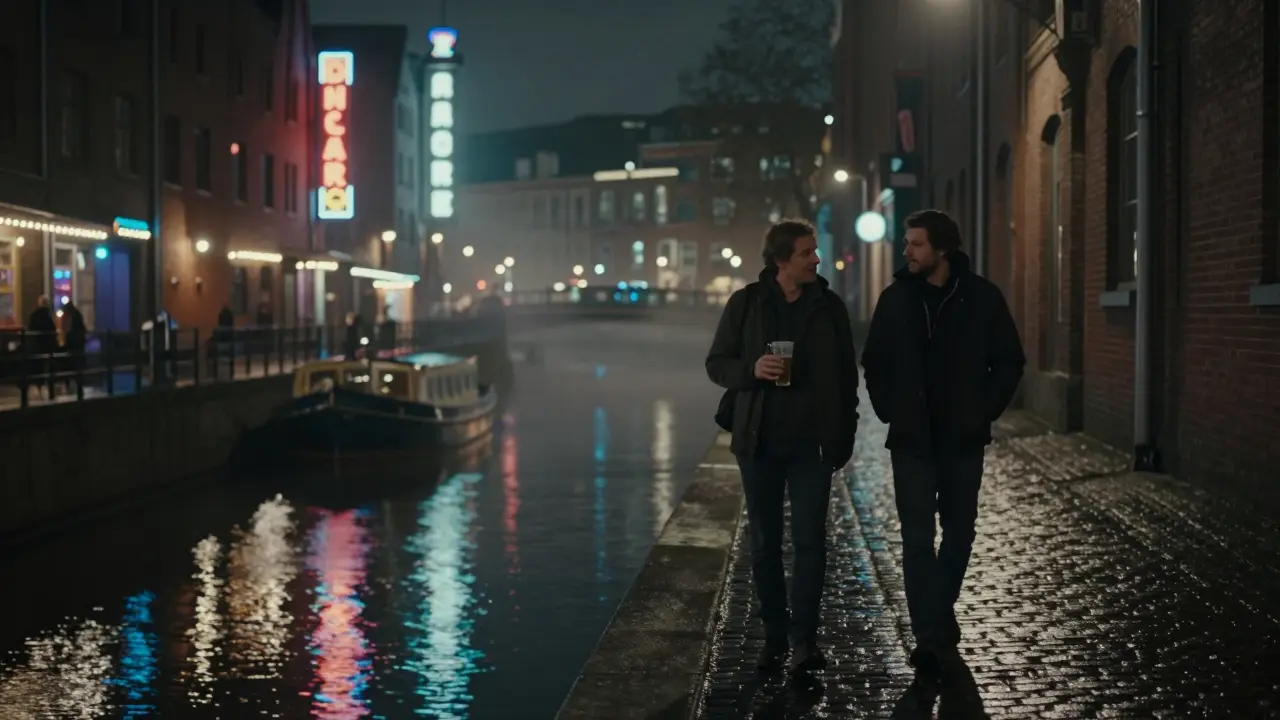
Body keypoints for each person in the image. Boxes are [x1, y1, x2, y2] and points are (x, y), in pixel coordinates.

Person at [861, 209, 1025, 677]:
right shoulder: (896, 299)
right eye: (907, 243)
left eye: (916, 244)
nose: (907, 251)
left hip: (961, 440)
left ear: (942, 249)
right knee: (917, 539)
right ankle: (929, 638)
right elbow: (874, 361)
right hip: (911, 440)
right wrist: (890, 409)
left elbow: (1009, 360)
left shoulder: (982, 297)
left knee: (959, 534)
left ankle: (936, 612)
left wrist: (983, 410)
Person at [705, 219, 859, 674]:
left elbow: (847, 377)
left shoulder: (828, 307)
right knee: (765, 543)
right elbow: (716, 363)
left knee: (811, 543)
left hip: (812, 445)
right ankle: (774, 634)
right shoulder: (747, 303)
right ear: (780, 260)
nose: (816, 259)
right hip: (760, 442)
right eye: (806, 253)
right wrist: (752, 370)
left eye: (815, 251)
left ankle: (804, 640)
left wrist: (844, 435)